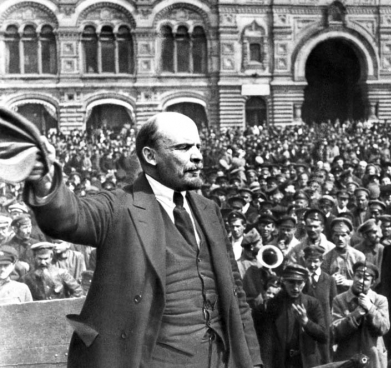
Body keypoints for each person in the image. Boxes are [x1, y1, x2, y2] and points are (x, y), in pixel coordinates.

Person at [23, 112, 262, 368]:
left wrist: (253, 361)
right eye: (183, 147)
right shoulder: (118, 207)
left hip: (220, 359)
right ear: (150, 156)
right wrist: (46, 183)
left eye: (198, 146)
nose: (197, 155)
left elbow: (236, 295)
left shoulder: (209, 209)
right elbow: (71, 218)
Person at [253, 264, 327, 368]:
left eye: (300, 283)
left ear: (305, 282)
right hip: (281, 362)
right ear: (284, 281)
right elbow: (266, 340)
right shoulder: (271, 305)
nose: (296, 288)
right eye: (291, 282)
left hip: (306, 362)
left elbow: (324, 336)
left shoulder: (312, 303)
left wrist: (306, 322)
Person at [332, 260, 389, 367]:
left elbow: (384, 328)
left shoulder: (380, 300)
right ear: (353, 277)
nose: (360, 281)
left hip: (373, 358)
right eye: (358, 276)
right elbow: (334, 332)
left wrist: (371, 308)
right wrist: (356, 313)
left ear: (373, 283)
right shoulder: (339, 300)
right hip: (347, 358)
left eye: (366, 279)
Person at [302, 245, 337, 364]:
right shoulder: (300, 280)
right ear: (304, 260)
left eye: (316, 261)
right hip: (306, 326)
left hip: (324, 326)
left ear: (321, 261)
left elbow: (334, 304)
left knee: (325, 358)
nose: (312, 265)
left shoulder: (329, 280)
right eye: (309, 261)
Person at [321, 217, 365, 294]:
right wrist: (331, 280)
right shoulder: (326, 257)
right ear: (332, 236)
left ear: (349, 236)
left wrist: (348, 282)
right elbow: (321, 282)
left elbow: (365, 281)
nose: (340, 239)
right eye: (336, 235)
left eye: (343, 235)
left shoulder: (358, 256)